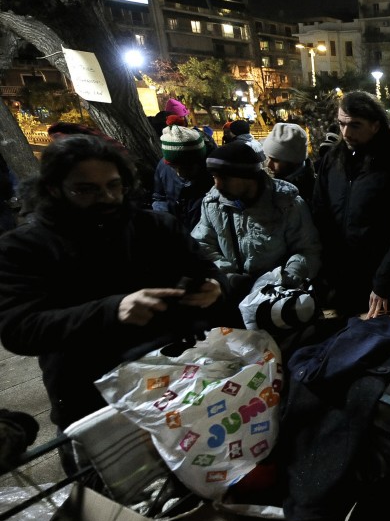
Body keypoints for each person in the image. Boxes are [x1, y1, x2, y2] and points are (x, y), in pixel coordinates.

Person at [0, 134, 224, 470]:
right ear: (53, 189)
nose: (105, 197)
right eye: (85, 189)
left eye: (113, 185)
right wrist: (112, 310)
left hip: (177, 382)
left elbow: (205, 269)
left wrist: (213, 286)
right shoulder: (23, 249)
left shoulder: (155, 226)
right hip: (92, 399)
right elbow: (20, 328)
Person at [311, 91, 390, 319]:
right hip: (339, 278)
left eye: (355, 125)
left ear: (376, 126)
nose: (346, 132)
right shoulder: (332, 160)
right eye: (341, 124)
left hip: (380, 284)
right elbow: (320, 213)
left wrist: (384, 282)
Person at [192, 142, 321, 313]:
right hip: (229, 298)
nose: (217, 185)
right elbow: (201, 245)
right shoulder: (213, 204)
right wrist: (228, 277)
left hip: (276, 302)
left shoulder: (287, 205)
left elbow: (307, 251)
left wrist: (282, 281)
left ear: (248, 176)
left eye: (225, 178)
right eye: (214, 177)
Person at [152, 124, 215, 230]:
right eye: (174, 167)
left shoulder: (214, 171)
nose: (179, 173)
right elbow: (159, 197)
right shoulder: (163, 165)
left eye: (186, 167)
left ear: (199, 161)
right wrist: (166, 221)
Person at [262, 122, 315, 203]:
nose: (269, 165)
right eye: (268, 158)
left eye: (275, 160)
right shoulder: (269, 182)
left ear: (293, 161)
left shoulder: (314, 190)